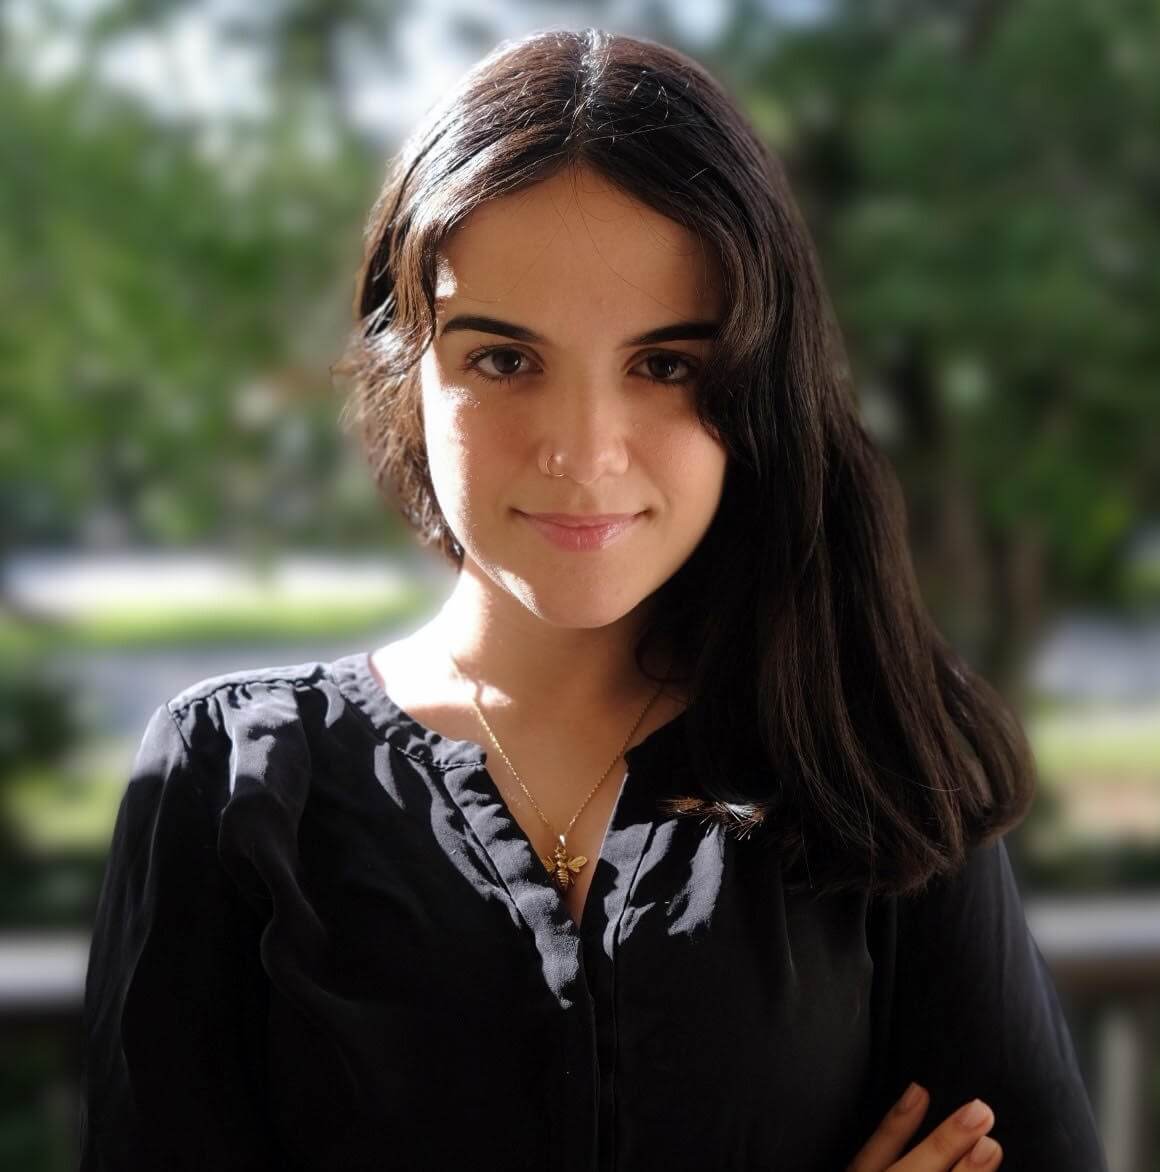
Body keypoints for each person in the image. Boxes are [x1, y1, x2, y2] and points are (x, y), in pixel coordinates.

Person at [78, 26, 1107, 1172]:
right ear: (404, 369)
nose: (582, 450)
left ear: (761, 388)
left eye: (666, 365)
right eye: (503, 359)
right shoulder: (229, 778)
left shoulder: (873, 748)